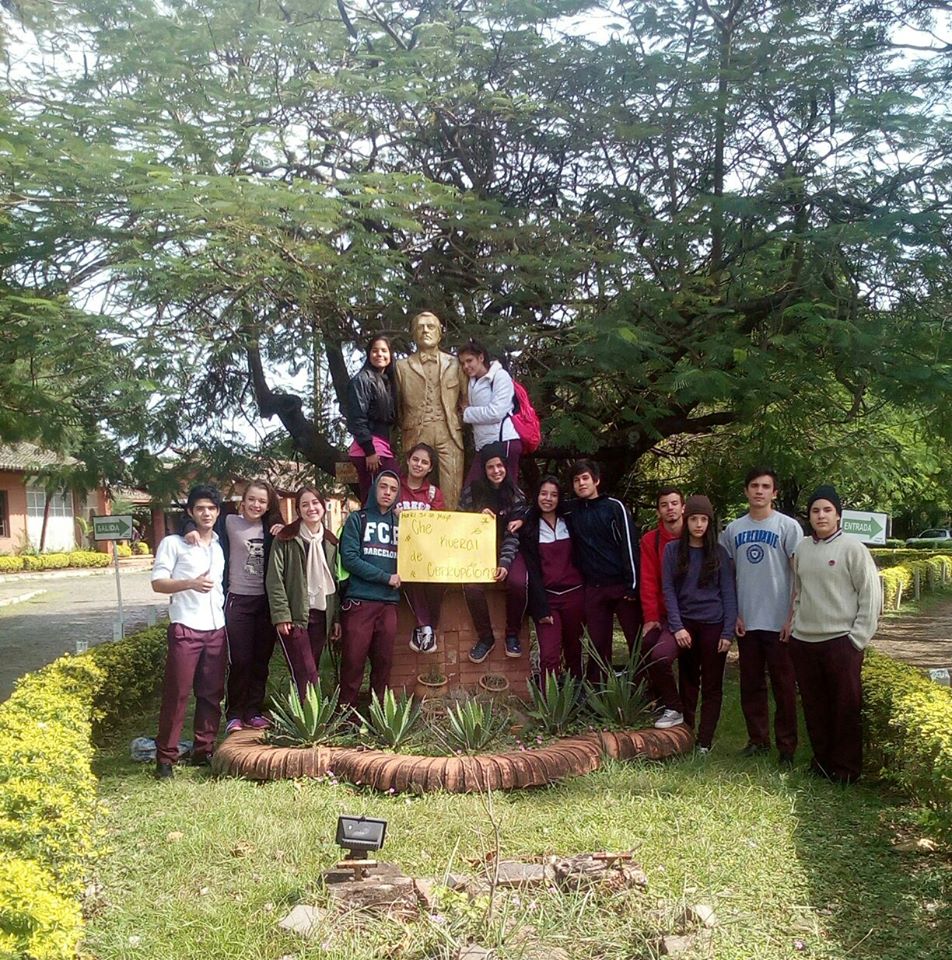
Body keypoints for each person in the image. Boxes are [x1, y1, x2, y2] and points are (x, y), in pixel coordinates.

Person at [790, 485, 880, 783]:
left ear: (839, 515)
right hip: (805, 641)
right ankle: (823, 761)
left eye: (827, 510)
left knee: (844, 708)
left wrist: (857, 639)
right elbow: (799, 592)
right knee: (815, 707)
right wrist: (794, 628)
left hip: (841, 642)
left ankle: (846, 769)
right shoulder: (801, 548)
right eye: (815, 510)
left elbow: (870, 595)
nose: (821, 515)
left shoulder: (853, 549)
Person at [183, 479, 281, 735]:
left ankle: (254, 711)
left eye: (262, 501)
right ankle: (235, 713)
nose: (256, 505)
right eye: (252, 499)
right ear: (243, 500)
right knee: (240, 660)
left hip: (266, 602)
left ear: (268, 504)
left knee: (261, 660)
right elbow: (202, 519)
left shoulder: (271, 528)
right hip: (238, 600)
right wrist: (188, 527)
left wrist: (281, 527)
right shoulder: (229, 522)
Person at [719, 466, 803, 765]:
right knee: (751, 683)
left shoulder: (788, 527)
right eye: (754, 485)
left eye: (765, 486)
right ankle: (758, 739)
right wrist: (735, 614)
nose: (759, 491)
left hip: (779, 620)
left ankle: (787, 746)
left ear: (774, 493)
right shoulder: (733, 530)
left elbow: (798, 574)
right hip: (747, 620)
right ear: (746, 491)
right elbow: (727, 576)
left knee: (783, 684)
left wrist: (791, 616)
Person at [150, 485, 227, 779]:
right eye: (200, 508)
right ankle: (165, 759)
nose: (206, 513)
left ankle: (203, 750)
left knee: (210, 694)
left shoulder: (219, 547)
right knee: (177, 693)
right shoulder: (174, 544)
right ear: (190, 512)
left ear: (218, 512)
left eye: (211, 508)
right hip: (186, 627)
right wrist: (189, 583)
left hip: (216, 628)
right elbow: (158, 583)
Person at [661, 495, 737, 752]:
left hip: (714, 625)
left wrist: (728, 632)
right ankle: (687, 733)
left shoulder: (719, 553)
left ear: (709, 523)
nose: (698, 525)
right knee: (688, 680)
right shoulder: (673, 551)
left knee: (712, 685)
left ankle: (705, 741)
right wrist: (677, 626)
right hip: (687, 625)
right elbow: (668, 589)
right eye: (694, 519)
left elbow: (728, 592)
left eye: (704, 519)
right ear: (686, 520)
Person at [563, 460, 640, 683]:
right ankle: (598, 691)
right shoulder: (572, 510)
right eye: (576, 480)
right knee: (597, 642)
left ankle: (646, 688)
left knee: (635, 640)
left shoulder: (614, 507)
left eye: (585, 478)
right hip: (594, 588)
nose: (581, 483)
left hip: (622, 586)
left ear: (596, 480)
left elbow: (629, 545)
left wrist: (632, 585)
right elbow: (543, 507)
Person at [266, 487, 340, 702]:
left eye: (315, 503)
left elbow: (336, 581)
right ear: (298, 509)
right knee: (308, 672)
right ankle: (312, 721)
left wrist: (336, 619)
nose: (311, 508)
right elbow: (274, 579)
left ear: (323, 507)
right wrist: (281, 615)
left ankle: (303, 719)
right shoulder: (286, 537)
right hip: (295, 616)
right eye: (305, 504)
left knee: (307, 669)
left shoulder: (331, 541)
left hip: (321, 615)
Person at [459, 443, 529, 664]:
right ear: (484, 469)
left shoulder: (515, 494)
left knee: (518, 583)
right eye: (491, 467)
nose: (496, 471)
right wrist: (477, 519)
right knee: (470, 586)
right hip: (478, 551)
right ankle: (486, 638)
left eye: (500, 465)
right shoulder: (472, 491)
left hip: (508, 549)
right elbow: (459, 522)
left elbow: (513, 535)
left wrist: (505, 562)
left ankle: (512, 634)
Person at [338, 470, 401, 709]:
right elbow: (350, 559)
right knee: (353, 662)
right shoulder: (358, 519)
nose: (387, 493)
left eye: (393, 489)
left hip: (389, 604)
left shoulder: (401, 524)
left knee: (384, 663)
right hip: (360, 601)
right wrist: (386, 578)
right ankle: (346, 716)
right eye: (383, 487)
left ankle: (380, 716)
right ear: (375, 489)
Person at [394, 311, 465, 508]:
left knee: (452, 488)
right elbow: (397, 406)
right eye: (420, 327)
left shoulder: (455, 363)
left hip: (449, 433)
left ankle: (449, 533)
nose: (425, 330)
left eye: (430, 326)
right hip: (416, 430)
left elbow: (466, 401)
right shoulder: (401, 367)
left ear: (440, 333)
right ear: (414, 334)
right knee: (412, 486)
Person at [521, 476, 585, 679]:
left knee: (574, 650)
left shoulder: (571, 521)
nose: (548, 498)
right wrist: (540, 607)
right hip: (547, 598)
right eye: (543, 493)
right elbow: (531, 570)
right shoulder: (529, 527)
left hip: (575, 596)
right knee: (549, 655)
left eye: (554, 495)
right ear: (537, 495)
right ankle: (551, 706)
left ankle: (576, 697)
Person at [639, 487, 686, 725]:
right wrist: (651, 616)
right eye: (665, 504)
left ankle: (673, 706)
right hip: (663, 614)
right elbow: (647, 580)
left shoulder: (694, 536)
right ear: (659, 510)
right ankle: (656, 698)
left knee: (660, 655)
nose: (670, 508)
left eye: (674, 503)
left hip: (689, 614)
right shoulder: (650, 540)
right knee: (645, 645)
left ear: (683, 507)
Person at [396, 442, 446, 655]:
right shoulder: (394, 487)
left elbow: (440, 525)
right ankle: (427, 628)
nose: (419, 464)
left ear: (430, 468)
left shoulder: (434, 494)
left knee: (440, 577)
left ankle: (426, 627)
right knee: (409, 573)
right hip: (397, 551)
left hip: (426, 553)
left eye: (424, 462)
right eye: (415, 459)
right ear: (408, 460)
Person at [457, 338, 521, 485]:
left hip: (504, 441)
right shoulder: (471, 382)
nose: (466, 366)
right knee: (475, 489)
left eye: (469, 360)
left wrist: (466, 413)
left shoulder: (500, 376)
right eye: (462, 363)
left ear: (481, 357)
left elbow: (496, 412)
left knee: (507, 489)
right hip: (484, 445)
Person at [346, 335, 399, 501]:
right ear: (368, 354)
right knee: (375, 498)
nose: (379, 354)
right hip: (368, 449)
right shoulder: (362, 380)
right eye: (375, 351)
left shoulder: (387, 382)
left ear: (390, 355)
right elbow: (356, 418)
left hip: (382, 445)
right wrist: (369, 451)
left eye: (384, 350)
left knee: (384, 496)